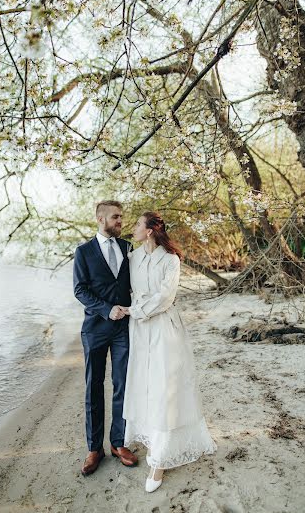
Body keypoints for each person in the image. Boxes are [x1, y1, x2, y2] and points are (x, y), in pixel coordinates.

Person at [123, 211, 217, 493]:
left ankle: (159, 459)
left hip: (163, 326)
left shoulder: (170, 259)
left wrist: (135, 310)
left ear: (150, 230)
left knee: (166, 387)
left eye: (138, 225)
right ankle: (151, 438)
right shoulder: (133, 257)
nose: (133, 229)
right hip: (139, 329)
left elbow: (165, 297)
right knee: (145, 384)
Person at [73, 200, 138, 476]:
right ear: (101, 219)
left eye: (121, 217)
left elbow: (137, 282)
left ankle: (119, 443)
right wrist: (105, 309)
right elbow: (80, 290)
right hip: (95, 330)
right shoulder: (83, 252)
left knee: (122, 384)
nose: (120, 221)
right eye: (116, 217)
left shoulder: (128, 248)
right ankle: (94, 448)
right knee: (93, 388)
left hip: (124, 329)